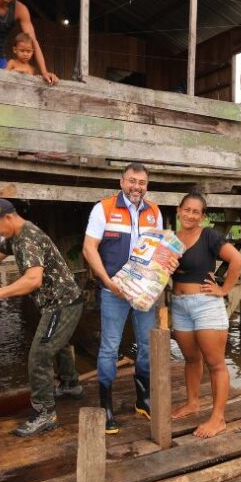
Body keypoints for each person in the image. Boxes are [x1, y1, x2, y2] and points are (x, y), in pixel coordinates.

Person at [0, 198, 83, 437]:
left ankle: (45, 414)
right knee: (57, 344)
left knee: (39, 353)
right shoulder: (15, 236)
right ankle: (71, 385)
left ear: (8, 217)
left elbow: (33, 280)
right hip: (58, 302)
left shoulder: (28, 238)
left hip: (62, 304)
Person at [82, 163, 168, 434]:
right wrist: (107, 281)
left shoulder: (154, 212)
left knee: (146, 345)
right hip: (113, 292)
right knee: (109, 347)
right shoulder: (103, 208)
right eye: (132, 181)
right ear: (122, 182)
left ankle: (142, 399)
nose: (137, 187)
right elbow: (89, 248)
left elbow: (159, 252)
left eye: (142, 182)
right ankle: (106, 405)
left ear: (147, 186)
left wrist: (157, 281)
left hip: (144, 293)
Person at [170, 191, 241, 438]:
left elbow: (237, 260)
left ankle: (218, 418)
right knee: (191, 359)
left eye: (196, 211)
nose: (190, 215)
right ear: (179, 210)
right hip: (179, 305)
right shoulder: (170, 239)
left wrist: (223, 289)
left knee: (215, 363)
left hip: (205, 305)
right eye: (186, 209)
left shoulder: (209, 236)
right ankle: (192, 403)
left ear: (202, 216)